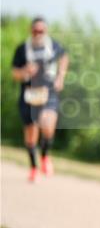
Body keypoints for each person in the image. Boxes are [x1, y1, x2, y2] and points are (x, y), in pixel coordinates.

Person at [10, 17, 69, 182]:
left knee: (48, 126)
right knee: (31, 133)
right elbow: (14, 72)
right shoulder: (22, 49)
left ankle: (45, 156)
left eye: (41, 30)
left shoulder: (53, 46)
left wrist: (61, 77)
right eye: (35, 30)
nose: (38, 33)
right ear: (31, 31)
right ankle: (34, 168)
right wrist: (24, 72)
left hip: (49, 92)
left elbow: (64, 58)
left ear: (46, 31)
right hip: (29, 93)